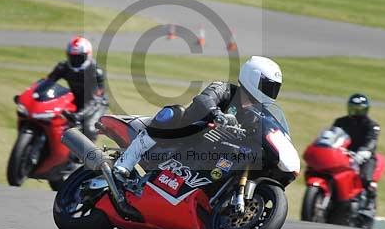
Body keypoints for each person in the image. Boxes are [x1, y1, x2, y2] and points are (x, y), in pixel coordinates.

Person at [113, 56, 284, 178]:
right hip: (186, 136)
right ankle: (125, 163)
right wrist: (217, 114)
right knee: (173, 113)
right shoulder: (224, 89)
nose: (271, 92)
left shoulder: (256, 113)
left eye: (274, 88)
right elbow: (203, 99)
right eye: (268, 86)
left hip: (212, 153)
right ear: (253, 78)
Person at [46, 36, 107, 141]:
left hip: (96, 104)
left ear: (88, 55)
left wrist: (78, 115)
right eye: (73, 57)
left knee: (89, 129)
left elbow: (94, 100)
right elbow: (47, 83)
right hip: (75, 99)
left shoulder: (96, 73)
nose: (75, 60)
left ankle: (87, 156)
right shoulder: (63, 67)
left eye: (79, 57)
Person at [332, 93, 381, 200]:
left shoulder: (372, 126)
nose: (357, 112)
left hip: (364, 156)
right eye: (354, 109)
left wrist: (364, 151)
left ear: (366, 110)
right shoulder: (340, 122)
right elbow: (332, 135)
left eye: (360, 110)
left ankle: (367, 205)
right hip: (343, 153)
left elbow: (372, 141)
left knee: (365, 179)